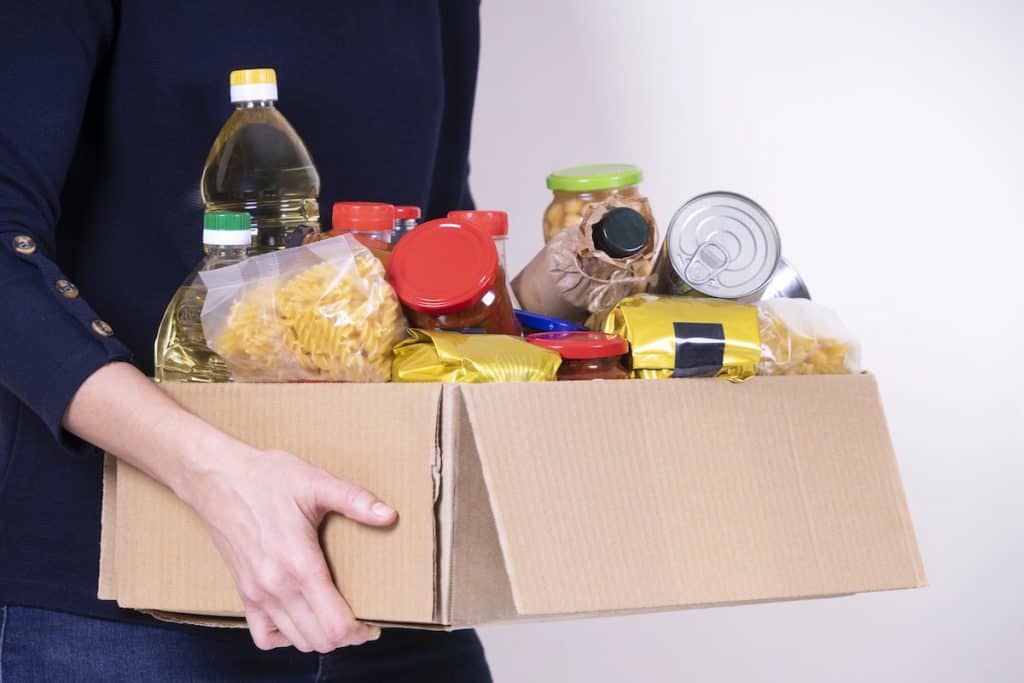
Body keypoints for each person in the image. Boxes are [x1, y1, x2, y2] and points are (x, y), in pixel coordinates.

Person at [0, 1, 492, 680]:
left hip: (387, 571)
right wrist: (216, 476)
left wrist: (576, 278)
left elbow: (420, 245)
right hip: (121, 589)